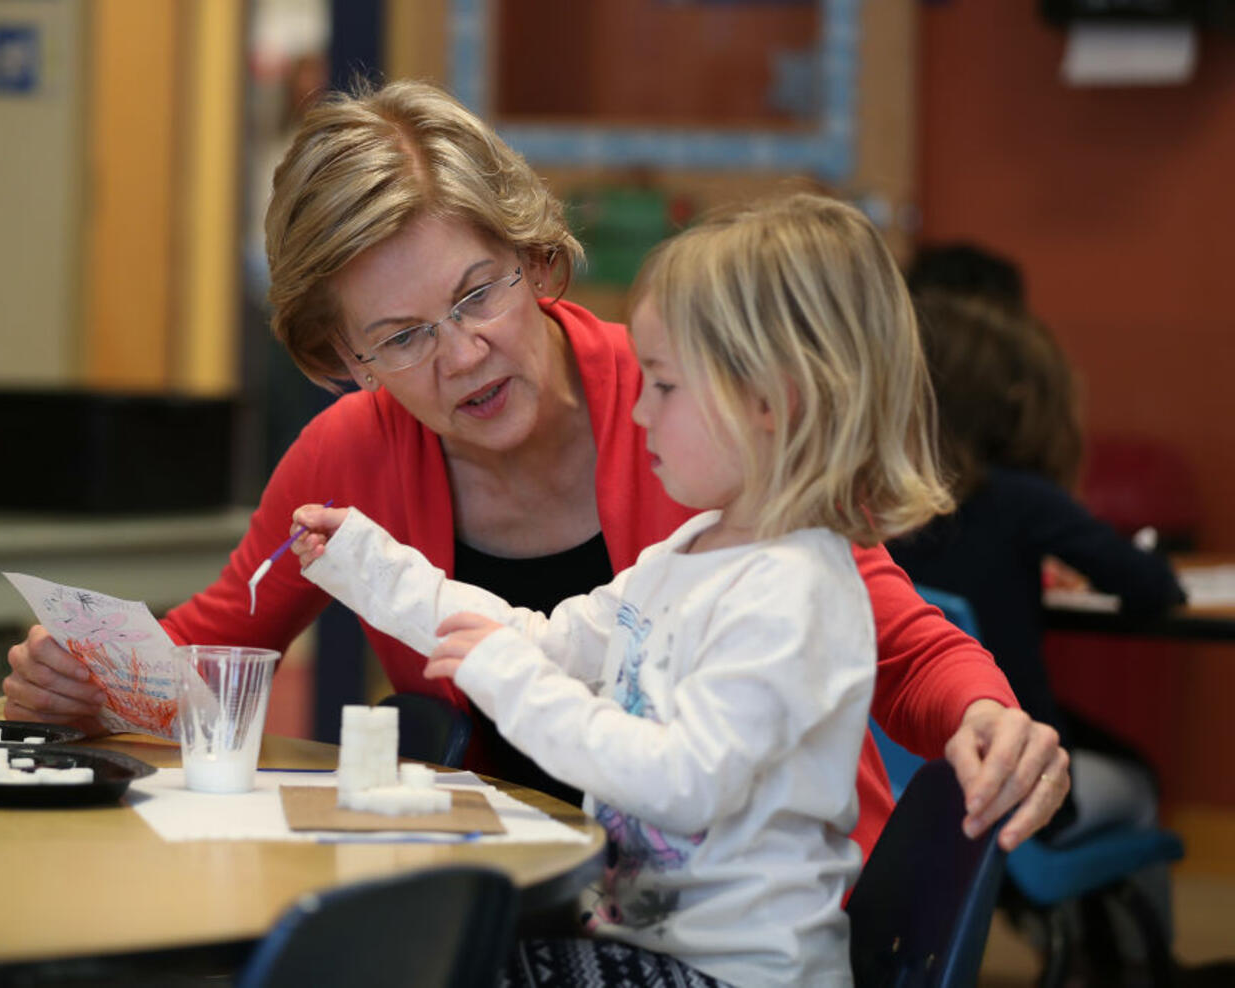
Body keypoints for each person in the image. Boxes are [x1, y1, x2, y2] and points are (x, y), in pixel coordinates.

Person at [2, 79, 1068, 860]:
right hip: (536, 880)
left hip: (748, 910)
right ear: (337, 360)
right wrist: (84, 677)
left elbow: (899, 637)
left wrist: (990, 714)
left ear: (534, 256)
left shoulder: (688, 419)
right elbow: (209, 656)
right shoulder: (349, 456)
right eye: (401, 336)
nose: (461, 354)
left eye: (478, 295)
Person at [286, 193, 955, 985]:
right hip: (644, 946)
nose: (637, 409)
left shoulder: (795, 592)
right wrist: (373, 568)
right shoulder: (689, 552)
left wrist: (511, 683)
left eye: (666, 387)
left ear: (772, 403)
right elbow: (548, 640)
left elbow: (682, 784)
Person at [887, 290, 1186, 925]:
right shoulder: (1020, 501)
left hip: (900, 796)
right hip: (1012, 778)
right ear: (1013, 402)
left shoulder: (872, 506)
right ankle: (1123, 966)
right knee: (1141, 784)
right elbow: (1155, 588)